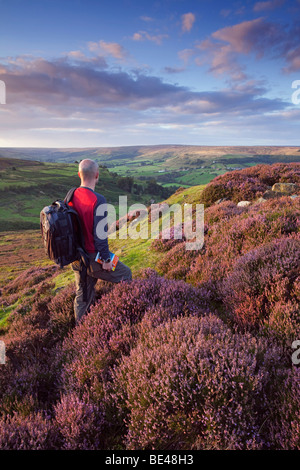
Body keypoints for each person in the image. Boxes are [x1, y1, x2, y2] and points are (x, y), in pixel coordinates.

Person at [65, 159, 132, 324]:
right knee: (126, 274)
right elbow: (100, 236)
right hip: (93, 256)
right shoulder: (98, 200)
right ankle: (126, 315)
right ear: (97, 175)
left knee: (83, 295)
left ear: (79, 174)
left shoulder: (70, 196)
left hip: (76, 256)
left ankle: (80, 333)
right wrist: (106, 260)